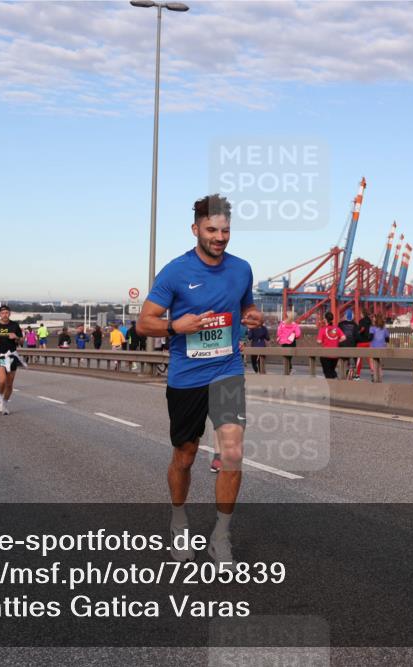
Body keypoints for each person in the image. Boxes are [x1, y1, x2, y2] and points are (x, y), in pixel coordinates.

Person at [136, 193, 262, 567]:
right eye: (211, 229)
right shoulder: (175, 271)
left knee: (233, 451)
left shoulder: (242, 269)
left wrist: (252, 314)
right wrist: (175, 325)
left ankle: (221, 537)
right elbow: (144, 323)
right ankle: (179, 521)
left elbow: (245, 305)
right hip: (186, 376)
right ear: (196, 229)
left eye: (225, 230)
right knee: (185, 456)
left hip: (226, 370)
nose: (219, 237)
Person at [0, 305, 24, 415]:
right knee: (2, 380)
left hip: (12, 355)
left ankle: (4, 403)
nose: (5, 315)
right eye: (3, 313)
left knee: (9, 384)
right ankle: (0, 398)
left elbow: (21, 341)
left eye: (7, 313)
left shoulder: (15, 325)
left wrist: (16, 337)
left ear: (10, 313)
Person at [317, 311, 346, 378]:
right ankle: (335, 381)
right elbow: (344, 337)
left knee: (327, 372)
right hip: (335, 355)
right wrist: (337, 341)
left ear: (325, 319)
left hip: (325, 354)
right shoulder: (337, 329)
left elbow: (319, 341)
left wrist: (325, 341)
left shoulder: (323, 329)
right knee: (332, 370)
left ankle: (332, 385)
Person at [337, 311, 359, 379]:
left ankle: (341, 376)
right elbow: (357, 337)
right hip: (352, 346)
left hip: (342, 346)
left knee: (342, 361)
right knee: (352, 362)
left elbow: (337, 335)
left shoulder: (340, 324)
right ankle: (351, 375)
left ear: (345, 316)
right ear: (352, 317)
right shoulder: (355, 325)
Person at [353, 311, 375, 380]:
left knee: (359, 359)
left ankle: (357, 375)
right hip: (368, 342)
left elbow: (362, 329)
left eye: (360, 314)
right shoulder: (370, 321)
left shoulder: (361, 321)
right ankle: (373, 374)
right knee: (370, 359)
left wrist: (358, 333)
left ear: (362, 314)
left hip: (361, 342)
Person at [368, 313, 389, 383]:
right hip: (382, 347)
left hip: (373, 346)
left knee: (372, 361)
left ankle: (373, 374)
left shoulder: (372, 328)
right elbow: (387, 339)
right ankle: (380, 376)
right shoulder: (384, 329)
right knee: (379, 362)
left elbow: (370, 338)